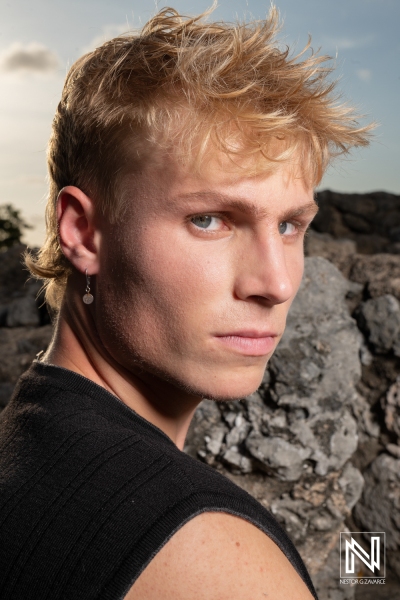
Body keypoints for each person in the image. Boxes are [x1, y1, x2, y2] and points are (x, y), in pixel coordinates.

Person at [0, 6, 371, 599]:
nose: (275, 284)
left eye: (290, 225)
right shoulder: (211, 562)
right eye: (209, 219)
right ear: (82, 232)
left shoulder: (23, 449)